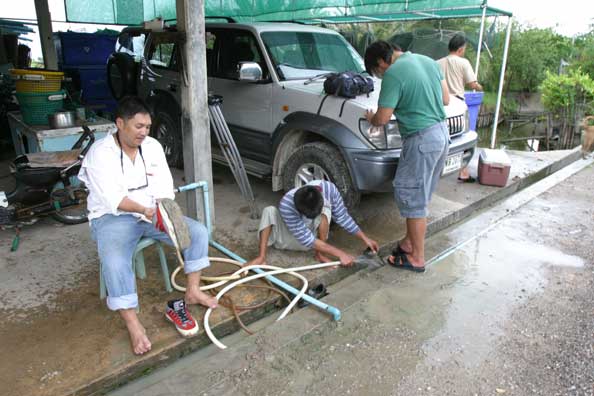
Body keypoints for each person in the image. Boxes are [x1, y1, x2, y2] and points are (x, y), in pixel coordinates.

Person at [79, 96, 217, 355]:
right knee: (115, 262)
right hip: (112, 217)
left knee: (197, 232)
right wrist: (145, 210)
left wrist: (163, 211)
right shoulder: (100, 153)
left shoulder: (152, 146)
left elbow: (164, 185)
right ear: (120, 123)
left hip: (152, 210)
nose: (144, 132)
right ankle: (133, 324)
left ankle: (193, 291)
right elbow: (114, 199)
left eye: (147, 127)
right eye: (138, 126)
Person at [363, 41, 450, 272]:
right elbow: (446, 99)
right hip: (441, 134)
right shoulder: (428, 61)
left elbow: (382, 118)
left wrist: (370, 116)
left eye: (376, 72)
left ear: (382, 62)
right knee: (420, 194)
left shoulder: (393, 73)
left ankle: (417, 258)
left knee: (413, 199)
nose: (380, 76)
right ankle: (409, 242)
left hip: (420, 139)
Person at [247, 180, 378, 267]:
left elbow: (342, 216)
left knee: (326, 211)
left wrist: (365, 238)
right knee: (269, 211)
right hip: (293, 240)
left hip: (310, 235)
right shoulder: (287, 204)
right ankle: (261, 257)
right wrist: (341, 254)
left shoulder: (329, 189)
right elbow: (309, 240)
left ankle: (320, 254)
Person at [438, 34, 483, 183]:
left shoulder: (437, 63)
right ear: (461, 49)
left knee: (443, 138)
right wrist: (479, 86)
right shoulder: (463, 63)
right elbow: (472, 84)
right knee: (460, 139)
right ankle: (462, 172)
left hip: (440, 105)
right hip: (457, 105)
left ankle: (440, 168)